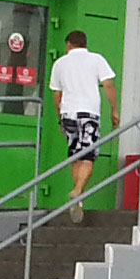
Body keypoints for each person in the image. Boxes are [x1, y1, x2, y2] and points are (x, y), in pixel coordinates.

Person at [47, 30, 118, 204]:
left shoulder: (59, 64)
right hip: (89, 113)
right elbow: (108, 85)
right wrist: (114, 110)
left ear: (68, 44)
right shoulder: (96, 59)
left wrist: (60, 120)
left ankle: (77, 199)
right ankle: (78, 190)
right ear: (85, 43)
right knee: (88, 155)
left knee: (76, 156)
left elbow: (57, 97)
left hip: (68, 113)